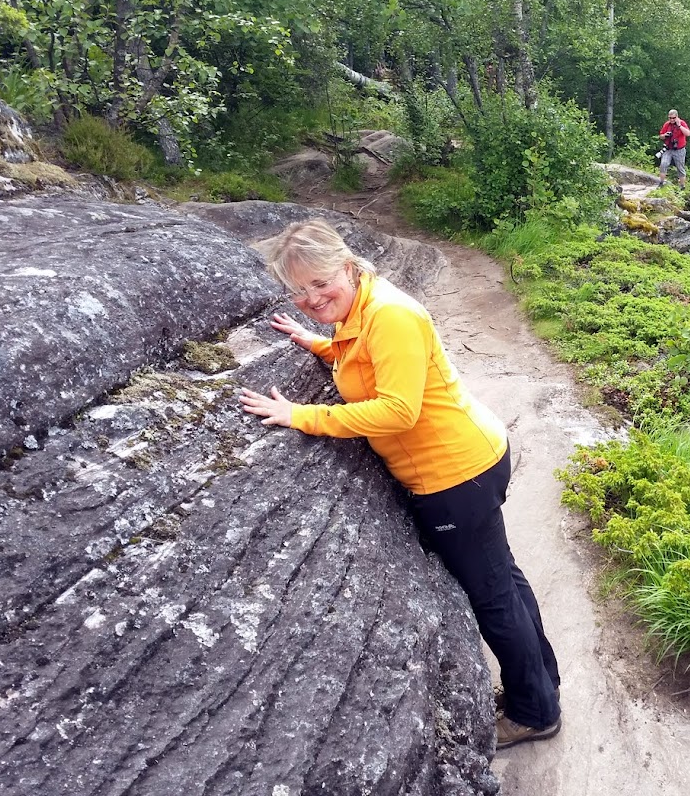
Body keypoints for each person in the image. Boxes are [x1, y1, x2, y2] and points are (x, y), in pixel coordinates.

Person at [238, 219, 562, 749]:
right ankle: (543, 683)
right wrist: (319, 344)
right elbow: (365, 357)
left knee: (494, 598)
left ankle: (533, 711)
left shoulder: (390, 314)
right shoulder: (361, 310)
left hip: (454, 476)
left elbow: (398, 409)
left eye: (321, 283)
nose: (312, 298)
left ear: (347, 265)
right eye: (299, 290)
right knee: (504, 577)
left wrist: (303, 416)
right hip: (471, 459)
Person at [658, 108, 690, 187]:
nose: (672, 120)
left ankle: (682, 186)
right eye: (670, 118)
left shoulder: (682, 123)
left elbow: (688, 133)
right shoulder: (667, 124)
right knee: (663, 164)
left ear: (677, 117)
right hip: (668, 148)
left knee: (680, 168)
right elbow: (661, 136)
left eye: (673, 118)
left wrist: (679, 126)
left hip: (679, 149)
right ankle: (661, 183)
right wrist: (665, 135)